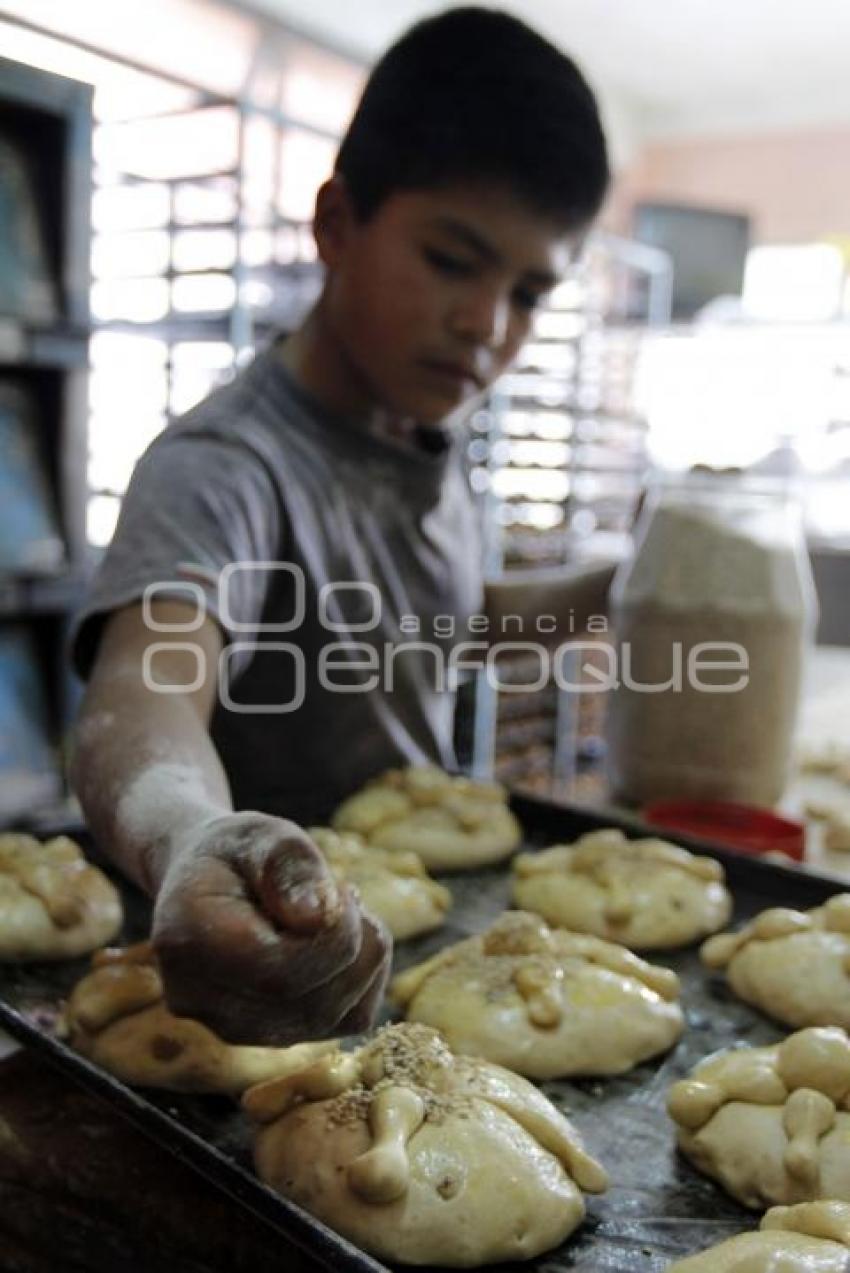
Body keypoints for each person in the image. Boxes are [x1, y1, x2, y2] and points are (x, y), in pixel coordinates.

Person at [69, 7, 611, 1047]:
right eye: (453, 259)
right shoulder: (227, 468)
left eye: (531, 292)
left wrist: (605, 589)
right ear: (335, 224)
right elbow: (144, 686)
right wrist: (190, 834)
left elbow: (436, 627)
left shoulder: (429, 444)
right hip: (247, 974)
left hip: (411, 936)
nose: (487, 325)